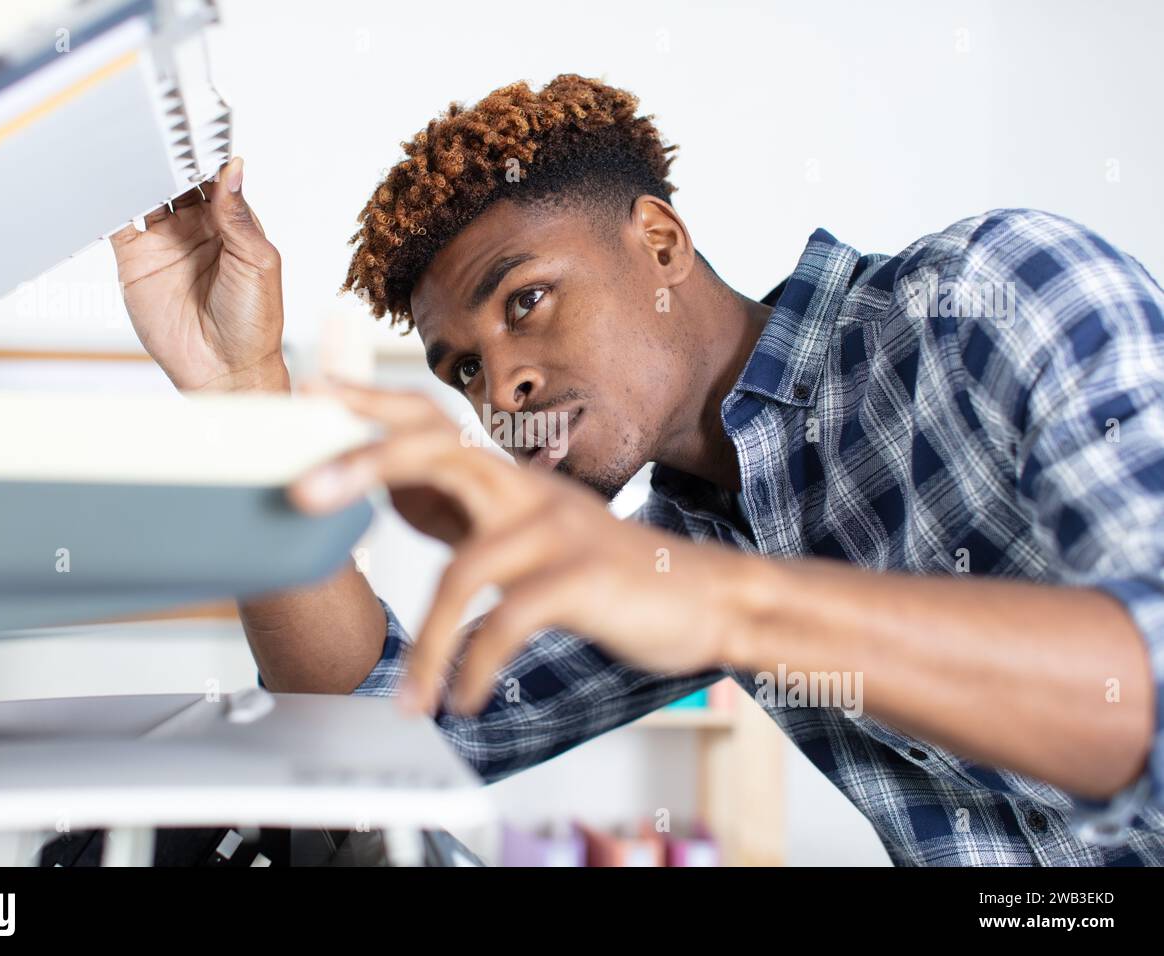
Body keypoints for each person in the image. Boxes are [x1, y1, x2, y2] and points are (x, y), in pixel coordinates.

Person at [111, 75, 1164, 865]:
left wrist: (730, 605)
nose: (502, 388)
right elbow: (357, 726)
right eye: (463, 366)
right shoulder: (675, 540)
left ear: (659, 241)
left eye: (524, 299)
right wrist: (239, 388)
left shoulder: (998, 285)